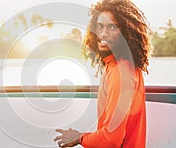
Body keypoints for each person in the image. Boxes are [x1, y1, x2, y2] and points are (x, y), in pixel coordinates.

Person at [54, 0, 150, 147]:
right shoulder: (121, 65)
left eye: (112, 27)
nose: (103, 34)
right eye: (99, 26)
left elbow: (111, 140)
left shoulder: (120, 72)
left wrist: (80, 137)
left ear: (126, 32)